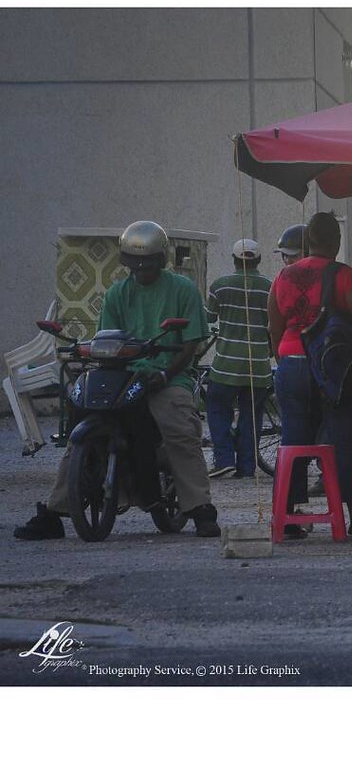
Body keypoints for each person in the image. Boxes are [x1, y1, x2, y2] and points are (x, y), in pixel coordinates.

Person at [15, 221, 220, 540]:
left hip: (168, 377)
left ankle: (200, 508)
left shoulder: (183, 290)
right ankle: (57, 510)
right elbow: (106, 340)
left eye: (148, 262)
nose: (141, 269)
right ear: (125, 261)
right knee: (78, 433)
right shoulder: (116, 294)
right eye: (135, 262)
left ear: (161, 260)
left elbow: (190, 343)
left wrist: (165, 373)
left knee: (179, 429)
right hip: (123, 375)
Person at [267, 211, 352, 540]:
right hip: (336, 368)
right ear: (336, 241)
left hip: (291, 363)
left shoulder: (282, 278)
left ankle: (289, 516)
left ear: (307, 242)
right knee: (345, 442)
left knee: (293, 440)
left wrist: (289, 360)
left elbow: (274, 330)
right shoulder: (346, 277)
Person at [205, 238, 273, 478]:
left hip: (225, 366)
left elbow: (209, 317)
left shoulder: (220, 286)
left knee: (216, 407)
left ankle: (224, 459)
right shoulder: (270, 287)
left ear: (234, 260)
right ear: (259, 260)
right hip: (258, 367)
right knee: (252, 416)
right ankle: (246, 467)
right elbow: (273, 325)